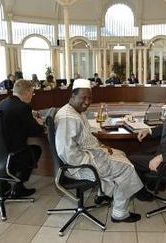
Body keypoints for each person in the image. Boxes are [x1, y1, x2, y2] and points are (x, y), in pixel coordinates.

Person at [55, 79, 143, 223]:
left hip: (88, 155)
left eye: (90, 98)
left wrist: (101, 146)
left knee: (121, 154)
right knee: (127, 168)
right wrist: (96, 160)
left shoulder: (76, 111)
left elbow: (86, 137)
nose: (87, 102)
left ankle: (102, 194)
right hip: (78, 166)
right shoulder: (67, 117)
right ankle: (120, 213)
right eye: (83, 97)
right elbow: (67, 153)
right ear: (72, 95)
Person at [0, 79, 43, 197]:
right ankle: (18, 187)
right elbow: (35, 131)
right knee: (36, 150)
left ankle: (3, 184)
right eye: (32, 93)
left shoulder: (3, 103)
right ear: (28, 92)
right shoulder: (23, 107)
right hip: (14, 154)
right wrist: (39, 123)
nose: (32, 96)